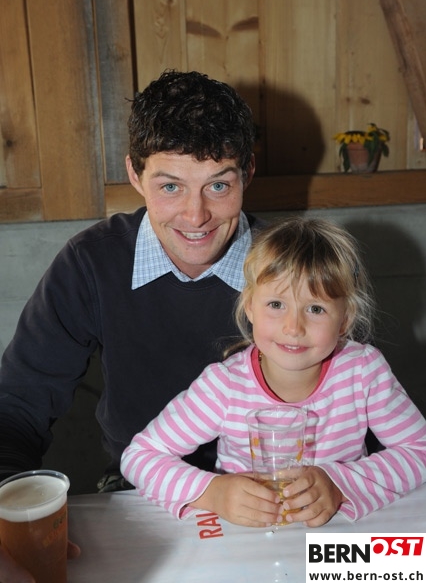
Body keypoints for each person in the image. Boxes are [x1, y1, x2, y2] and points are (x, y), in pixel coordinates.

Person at [0, 70, 263, 579]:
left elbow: (368, 418)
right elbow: (17, 407)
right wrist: (8, 511)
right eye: (170, 186)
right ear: (135, 175)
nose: (196, 215)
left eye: (218, 185)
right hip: (139, 491)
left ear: (247, 173)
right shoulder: (91, 263)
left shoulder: (300, 267)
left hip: (273, 492)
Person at [121, 217, 426, 528]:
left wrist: (340, 485)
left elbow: (420, 450)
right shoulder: (224, 387)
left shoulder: (363, 372)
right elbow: (140, 457)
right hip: (245, 541)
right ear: (250, 306)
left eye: (316, 309)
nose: (293, 328)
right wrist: (213, 494)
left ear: (345, 319)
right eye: (276, 304)